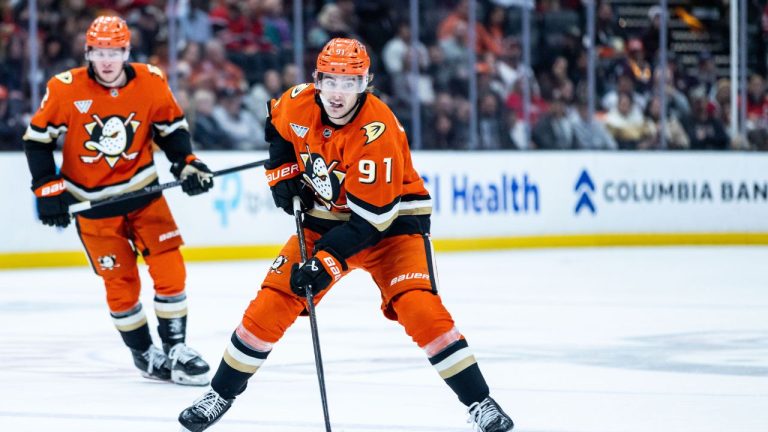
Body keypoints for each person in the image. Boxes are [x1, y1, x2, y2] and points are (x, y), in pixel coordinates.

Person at [178, 38, 514, 432]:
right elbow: (277, 128)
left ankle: (481, 403)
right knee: (271, 303)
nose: (338, 93)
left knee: (419, 309)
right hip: (325, 218)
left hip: (392, 227)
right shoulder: (299, 100)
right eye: (331, 80)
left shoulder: (378, 132)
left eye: (350, 82)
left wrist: (324, 263)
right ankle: (220, 393)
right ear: (317, 79)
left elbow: (371, 222)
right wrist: (282, 174)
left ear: (366, 83)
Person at [22, 15, 212, 386]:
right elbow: (37, 139)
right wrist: (47, 188)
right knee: (121, 285)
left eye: (114, 51)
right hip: (93, 206)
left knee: (171, 269)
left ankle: (176, 348)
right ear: (88, 52)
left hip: (144, 194)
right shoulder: (64, 89)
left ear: (127, 51)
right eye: (99, 52)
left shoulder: (151, 81)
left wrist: (187, 164)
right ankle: (144, 354)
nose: (106, 60)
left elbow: (171, 129)